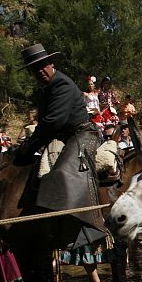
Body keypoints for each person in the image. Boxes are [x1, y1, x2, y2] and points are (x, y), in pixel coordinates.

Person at [12, 43, 106, 248]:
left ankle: (90, 227)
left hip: (83, 134)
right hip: (64, 136)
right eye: (34, 68)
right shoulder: (46, 89)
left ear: (51, 63)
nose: (40, 71)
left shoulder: (60, 84)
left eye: (42, 65)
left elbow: (53, 121)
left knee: (64, 171)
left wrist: (30, 144)